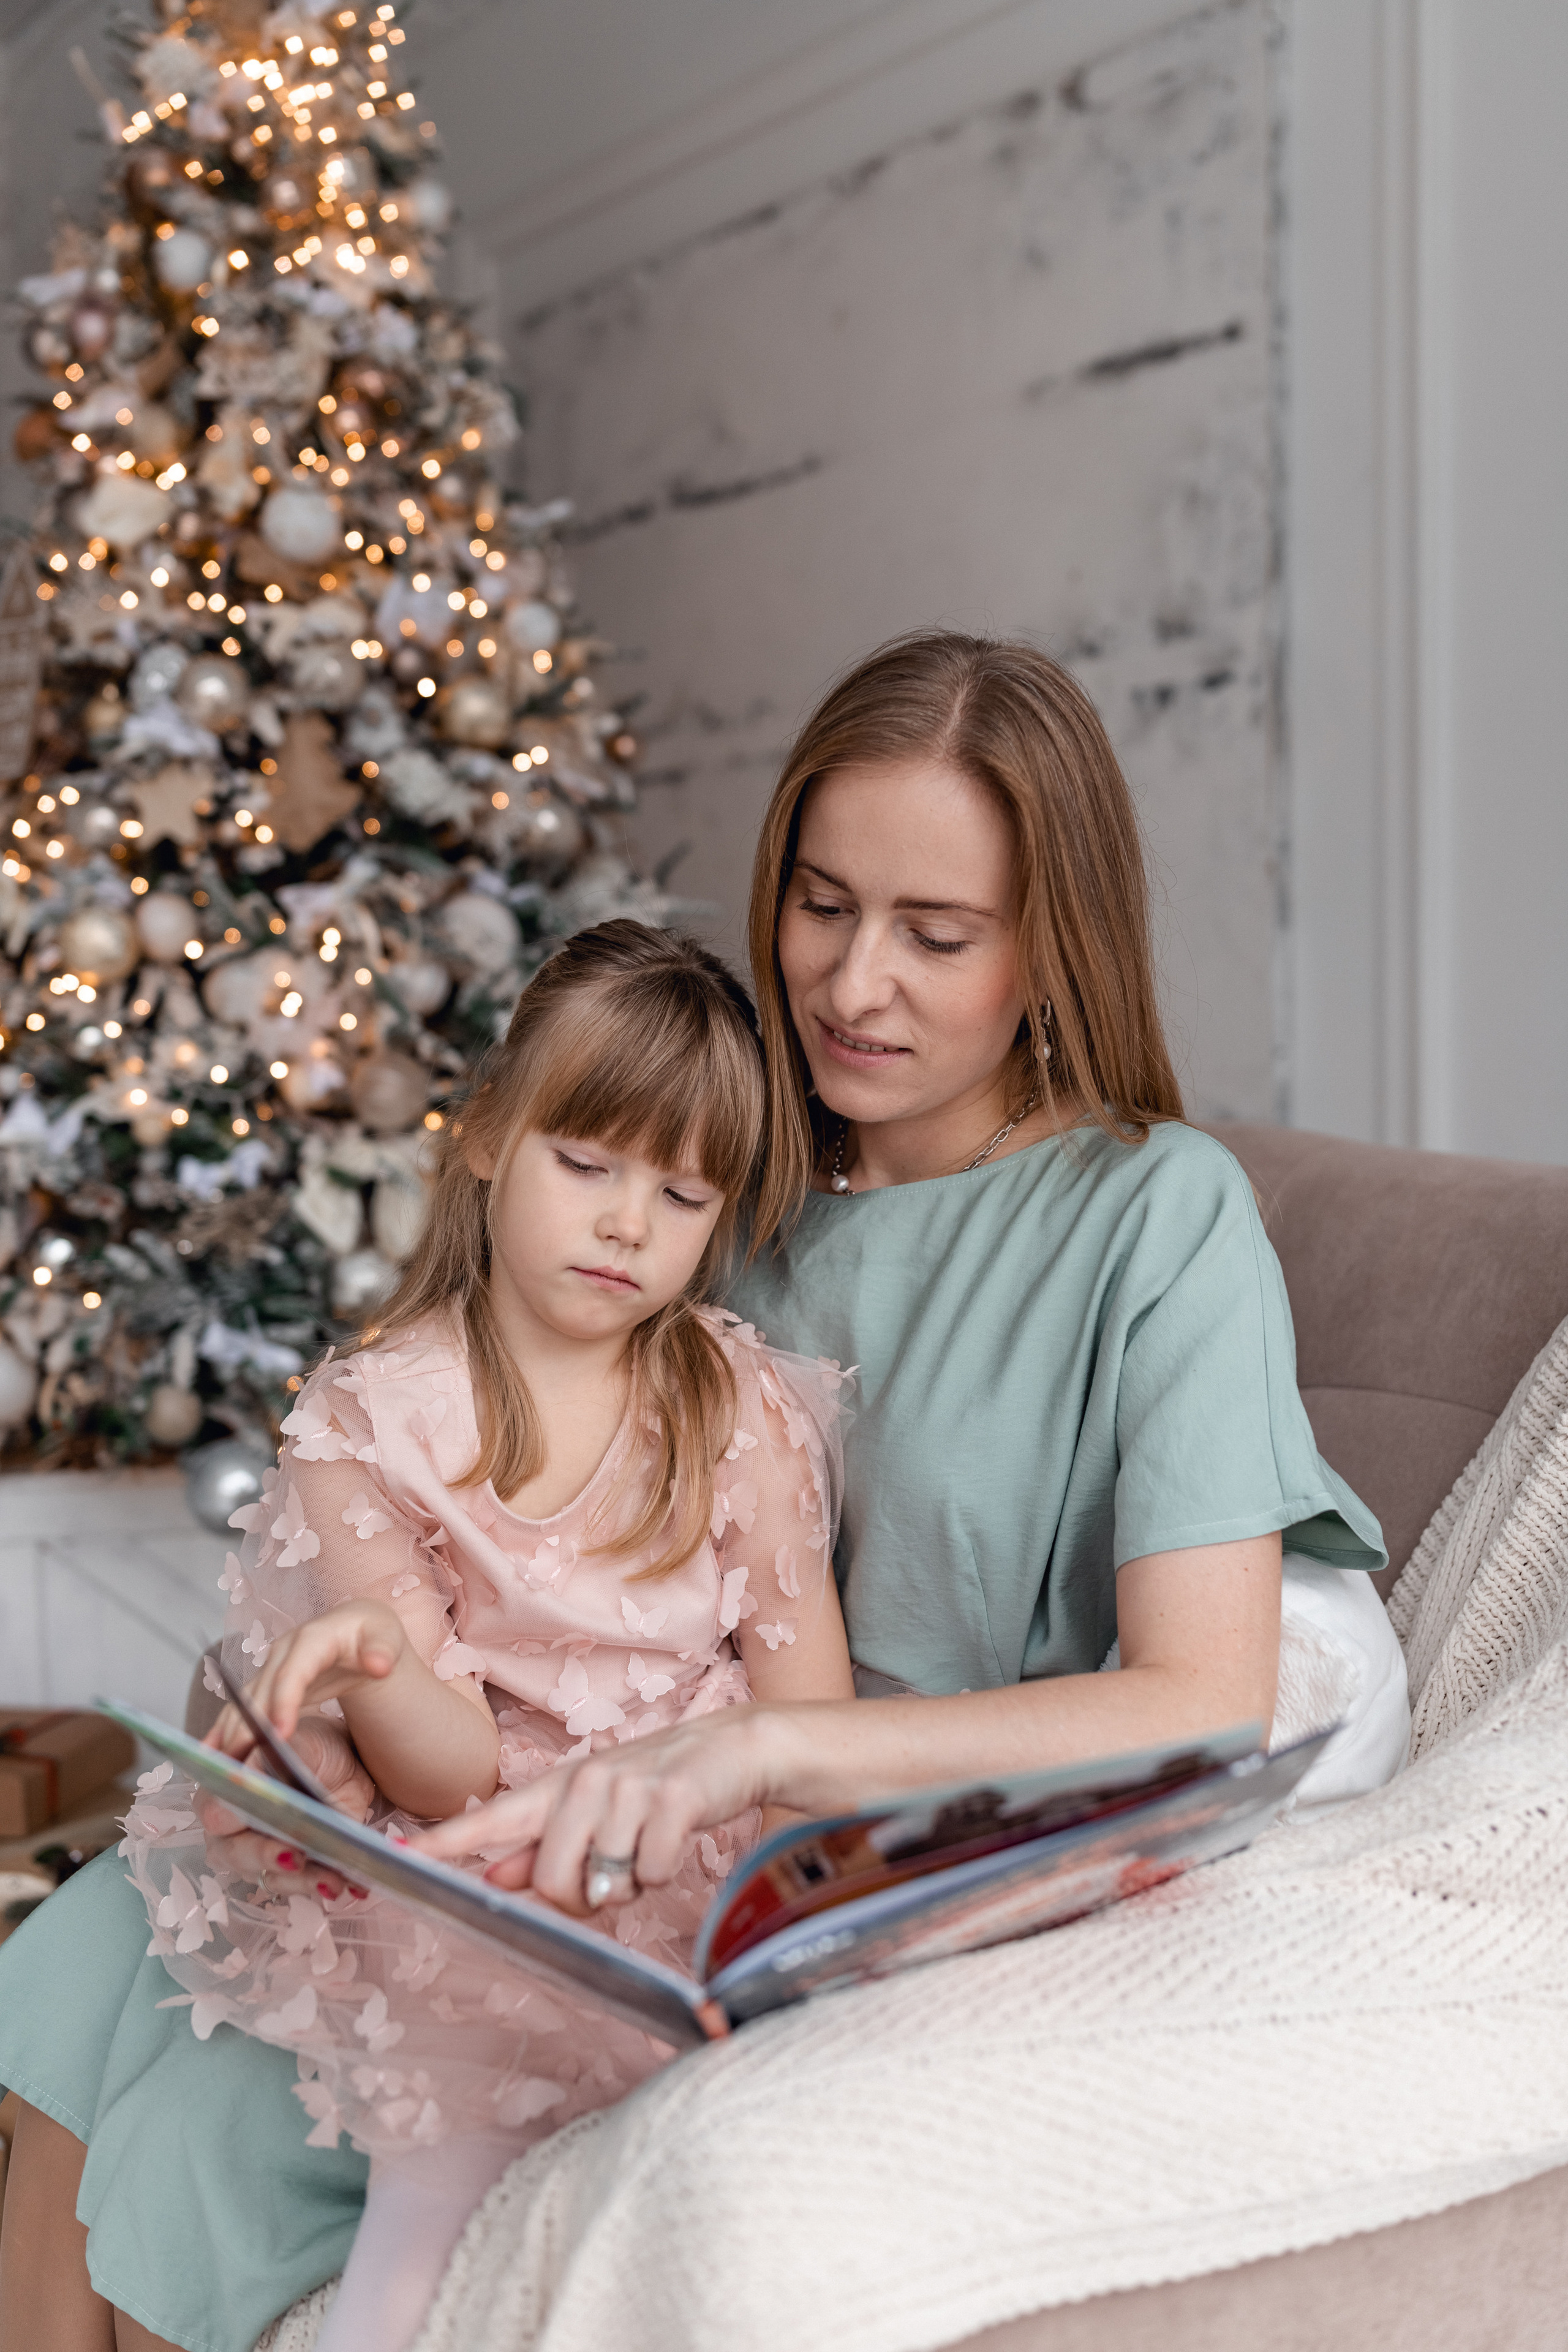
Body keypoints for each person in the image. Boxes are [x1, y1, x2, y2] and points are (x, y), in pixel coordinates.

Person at [0, 631, 1408, 2351]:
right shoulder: (710, 1200)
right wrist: (332, 1718)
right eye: (821, 905)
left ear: (1052, 947)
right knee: (95, 1961)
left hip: (795, 1873)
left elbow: (1206, 1701)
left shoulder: (1155, 1215)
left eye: (936, 935)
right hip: (541, 1827)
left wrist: (759, 1753)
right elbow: (492, 1556)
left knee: (210, 2133)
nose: (854, 985)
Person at [0, 922, 854, 2352]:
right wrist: (377, 1661)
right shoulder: (370, 1418)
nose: (627, 1224)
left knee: (312, 2110)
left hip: (664, 1863)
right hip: (467, 1849)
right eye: (586, 1164)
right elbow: (450, 1772)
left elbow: (807, 1726)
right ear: (487, 1138)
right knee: (111, 1950)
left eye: (679, 1193)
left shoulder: (735, 1408)